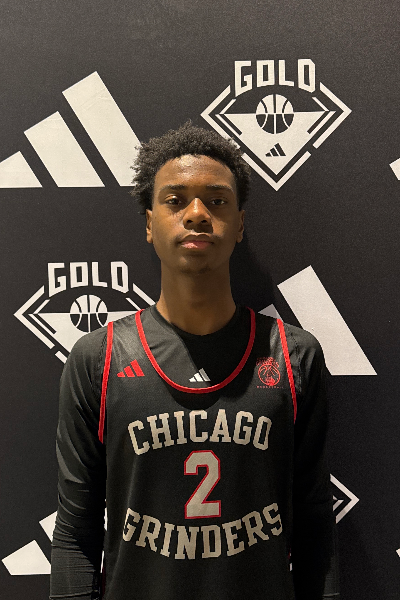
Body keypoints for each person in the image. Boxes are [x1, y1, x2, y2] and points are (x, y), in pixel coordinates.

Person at [50, 122, 339, 600]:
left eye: (217, 200)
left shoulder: (293, 355)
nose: (198, 213)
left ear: (240, 224)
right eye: (175, 200)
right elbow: (75, 534)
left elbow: (314, 527)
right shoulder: (98, 359)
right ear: (149, 224)